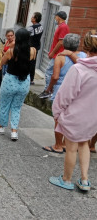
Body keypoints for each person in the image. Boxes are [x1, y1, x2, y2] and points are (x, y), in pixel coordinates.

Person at [49, 30, 97, 191]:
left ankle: (66, 179)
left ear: (86, 47)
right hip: (92, 117)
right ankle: (84, 180)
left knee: (71, 147)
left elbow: (65, 95)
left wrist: (57, 112)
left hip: (74, 115)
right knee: (84, 144)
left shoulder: (79, 70)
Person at [42, 34, 87, 154]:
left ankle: (58, 144)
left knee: (58, 118)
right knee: (72, 118)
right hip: (78, 91)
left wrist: (49, 88)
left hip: (61, 91)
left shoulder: (60, 57)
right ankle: (68, 143)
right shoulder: (83, 56)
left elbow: (55, 76)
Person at [0, 28, 36, 141]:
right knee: (17, 107)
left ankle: (2, 127)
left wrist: (0, 59)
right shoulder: (33, 50)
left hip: (10, 81)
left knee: (5, 105)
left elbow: (1, 63)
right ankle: (14, 132)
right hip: (24, 82)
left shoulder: (11, 51)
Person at [38, 11, 69, 99]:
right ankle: (49, 90)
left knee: (49, 72)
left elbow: (61, 42)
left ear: (58, 17)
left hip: (57, 55)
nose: (55, 18)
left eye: (56, 17)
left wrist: (52, 52)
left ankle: (48, 90)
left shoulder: (63, 27)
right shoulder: (61, 26)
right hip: (57, 54)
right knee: (50, 72)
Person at [0, 29, 15, 102]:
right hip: (5, 63)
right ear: (6, 36)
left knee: (7, 81)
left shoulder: (13, 43)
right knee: (3, 80)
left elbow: (8, 53)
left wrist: (4, 52)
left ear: (14, 35)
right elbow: (4, 51)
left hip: (9, 64)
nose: (10, 37)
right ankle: (3, 96)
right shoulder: (7, 42)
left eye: (11, 35)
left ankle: (5, 97)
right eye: (8, 36)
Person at [27, 12, 44, 85]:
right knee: (33, 63)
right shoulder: (41, 27)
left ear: (35, 19)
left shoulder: (31, 28)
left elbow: (26, 36)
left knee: (27, 62)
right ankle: (31, 79)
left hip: (30, 47)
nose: (31, 18)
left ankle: (27, 78)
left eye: (32, 17)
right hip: (36, 47)